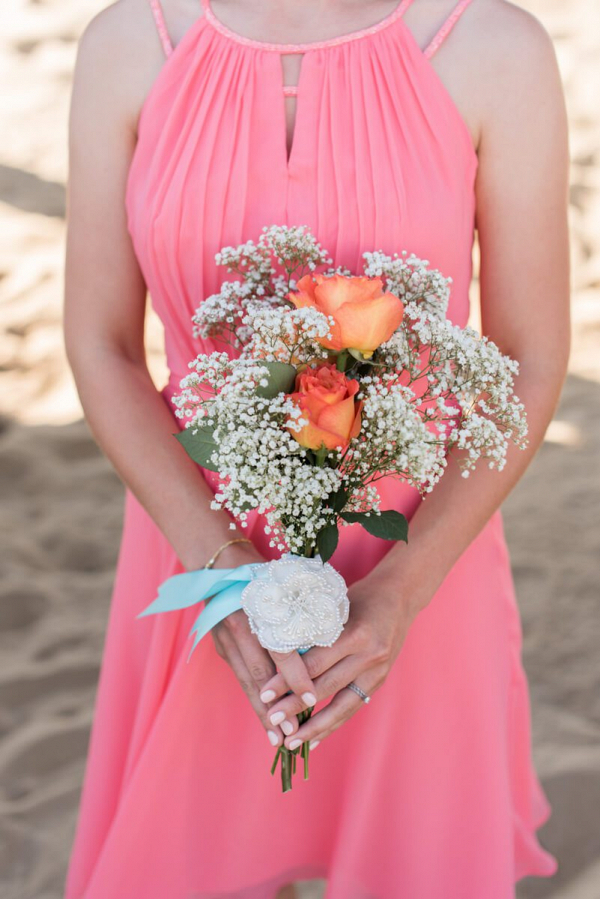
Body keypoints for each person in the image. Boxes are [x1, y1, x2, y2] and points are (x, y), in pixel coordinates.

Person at [63, 1, 570, 896]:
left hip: (417, 563)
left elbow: (526, 362)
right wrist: (219, 572)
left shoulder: (494, 48)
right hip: (200, 549)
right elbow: (101, 344)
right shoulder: (128, 44)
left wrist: (397, 597)